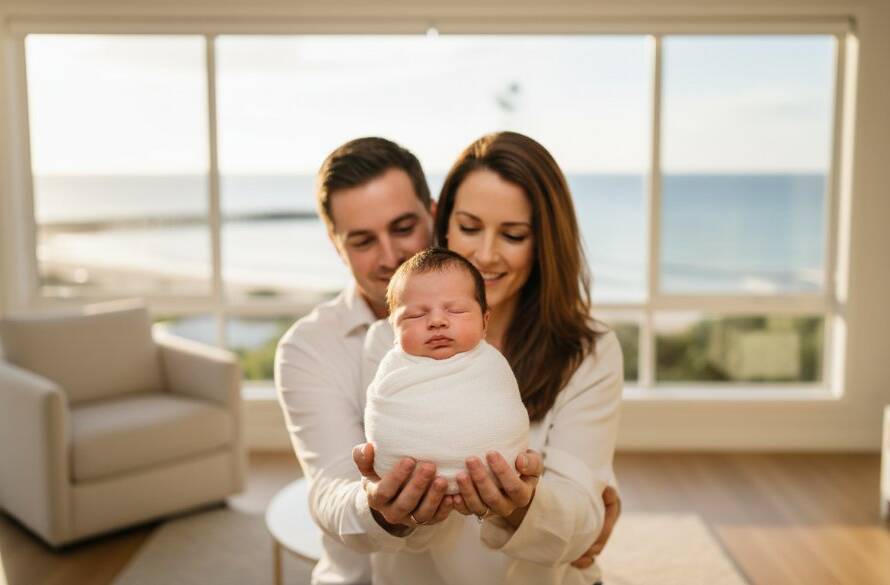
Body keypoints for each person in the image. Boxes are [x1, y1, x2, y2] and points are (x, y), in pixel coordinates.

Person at [275, 136, 620, 585]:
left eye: (513, 234)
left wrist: (542, 508)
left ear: (432, 217)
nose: (484, 253)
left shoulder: (585, 351)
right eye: (362, 240)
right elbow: (331, 494)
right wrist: (382, 508)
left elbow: (582, 510)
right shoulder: (380, 348)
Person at [364, 247, 529, 495]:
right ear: (394, 329)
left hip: (497, 477)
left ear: (484, 322)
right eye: (416, 315)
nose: (437, 321)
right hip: (403, 482)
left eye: (456, 310)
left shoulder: (490, 364)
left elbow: (506, 411)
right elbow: (380, 414)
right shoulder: (393, 366)